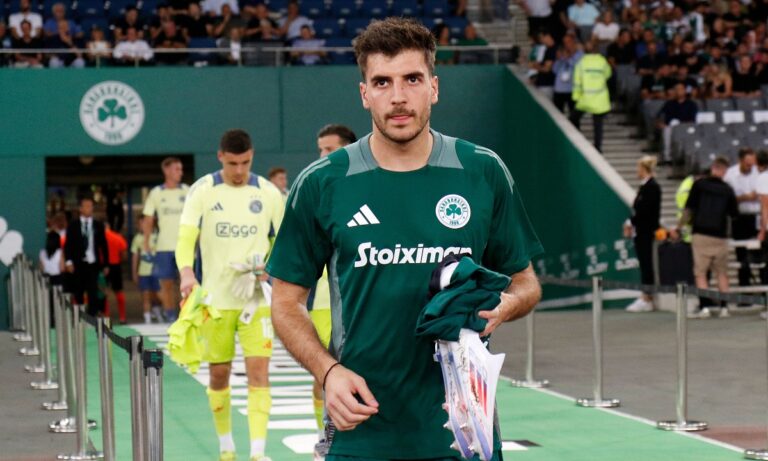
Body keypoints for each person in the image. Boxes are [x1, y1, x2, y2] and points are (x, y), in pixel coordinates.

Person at [267, 17, 543, 461]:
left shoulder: (482, 171)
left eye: (412, 79)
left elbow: (525, 281)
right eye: (382, 82)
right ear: (364, 94)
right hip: (360, 433)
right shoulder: (323, 183)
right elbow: (285, 302)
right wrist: (328, 371)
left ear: (434, 87)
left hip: (464, 433)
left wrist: (506, 305)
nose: (398, 96)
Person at [176, 129, 284, 461]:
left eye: (245, 163)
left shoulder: (268, 193)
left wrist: (271, 268)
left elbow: (283, 241)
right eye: (233, 163)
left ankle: (257, 453)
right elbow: (185, 238)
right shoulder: (203, 190)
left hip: (256, 301)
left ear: (252, 157)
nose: (239, 171)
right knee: (218, 374)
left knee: (259, 374)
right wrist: (186, 273)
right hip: (216, 303)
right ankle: (226, 447)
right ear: (220, 157)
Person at [311, 124, 357, 458]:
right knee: (324, 375)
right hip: (323, 305)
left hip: (358, 306)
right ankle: (326, 435)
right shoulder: (318, 193)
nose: (323, 156)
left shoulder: (369, 189)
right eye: (320, 150)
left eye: (329, 149)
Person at [675, 157, 739, 318]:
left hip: (700, 234)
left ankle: (705, 307)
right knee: (722, 273)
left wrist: (678, 227)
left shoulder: (699, 185)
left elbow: (688, 210)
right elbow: (734, 214)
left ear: (713, 168)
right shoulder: (727, 189)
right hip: (720, 235)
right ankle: (724, 308)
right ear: (724, 171)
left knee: (701, 273)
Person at [142, 156, 188, 322]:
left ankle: (186, 316)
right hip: (164, 246)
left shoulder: (187, 190)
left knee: (187, 284)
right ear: (166, 171)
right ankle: (170, 316)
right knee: (166, 285)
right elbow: (148, 219)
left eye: (181, 169)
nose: (180, 173)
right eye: (177, 169)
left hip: (185, 246)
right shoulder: (156, 193)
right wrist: (146, 242)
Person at [623, 156, 661, 312]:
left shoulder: (652, 187)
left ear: (644, 169)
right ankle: (645, 295)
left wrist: (630, 222)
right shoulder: (645, 187)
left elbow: (645, 211)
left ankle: (647, 298)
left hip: (646, 232)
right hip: (640, 232)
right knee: (644, 264)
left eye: (638, 168)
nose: (636, 171)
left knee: (647, 264)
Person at [63, 195, 109, 317]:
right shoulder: (73, 225)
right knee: (78, 291)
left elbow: (103, 245)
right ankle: (80, 316)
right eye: (87, 206)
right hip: (78, 263)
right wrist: (68, 261)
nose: (89, 209)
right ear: (81, 208)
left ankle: (92, 316)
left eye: (91, 206)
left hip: (92, 263)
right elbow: (68, 245)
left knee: (93, 291)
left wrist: (106, 264)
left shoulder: (98, 225)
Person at [724, 148, 759, 288]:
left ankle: (764, 286)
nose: (750, 167)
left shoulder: (759, 172)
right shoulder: (730, 175)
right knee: (742, 254)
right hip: (740, 218)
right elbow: (727, 199)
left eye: (752, 164)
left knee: (761, 253)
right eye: (747, 164)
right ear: (740, 161)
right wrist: (745, 197)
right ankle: (745, 287)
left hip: (758, 217)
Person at [572, 40, 612, 153]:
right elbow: (608, 74)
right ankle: (598, 148)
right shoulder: (602, 61)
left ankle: (577, 140)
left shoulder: (581, 63)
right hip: (600, 98)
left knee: (573, 119)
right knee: (598, 125)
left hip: (585, 98)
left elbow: (577, 82)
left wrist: (576, 97)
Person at [131, 216, 162, 324]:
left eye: (144, 223)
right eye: (140, 224)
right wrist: (134, 272)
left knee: (157, 295)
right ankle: (147, 319)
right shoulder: (137, 238)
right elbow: (135, 256)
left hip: (157, 272)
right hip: (143, 272)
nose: (142, 226)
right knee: (145, 296)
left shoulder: (157, 237)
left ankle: (158, 312)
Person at [657, 83, 698, 162]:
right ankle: (667, 157)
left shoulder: (691, 104)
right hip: (670, 127)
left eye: (680, 89)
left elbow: (693, 120)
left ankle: (686, 156)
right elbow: (660, 116)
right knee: (667, 130)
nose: (678, 91)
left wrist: (682, 125)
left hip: (685, 127)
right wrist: (660, 123)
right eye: (676, 89)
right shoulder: (669, 103)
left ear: (685, 91)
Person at [104, 223, 128, 323]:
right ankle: (122, 317)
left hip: (103, 266)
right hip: (115, 265)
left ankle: (106, 316)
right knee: (119, 291)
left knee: (104, 292)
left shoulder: (99, 237)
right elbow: (124, 253)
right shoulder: (117, 237)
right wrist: (119, 260)